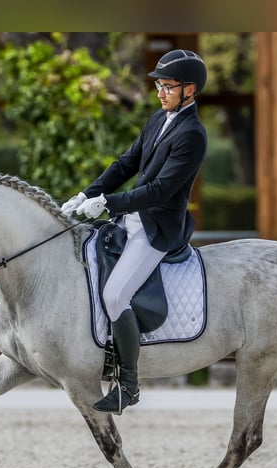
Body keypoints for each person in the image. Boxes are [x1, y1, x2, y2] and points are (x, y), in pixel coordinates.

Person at [61, 49, 208, 414]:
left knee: (114, 296)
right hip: (130, 219)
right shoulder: (158, 119)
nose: (160, 91)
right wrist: (88, 192)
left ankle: (128, 385)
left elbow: (160, 191)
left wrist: (109, 203)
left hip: (158, 227)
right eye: (158, 85)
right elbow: (126, 163)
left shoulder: (193, 134)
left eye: (167, 86)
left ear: (190, 89)